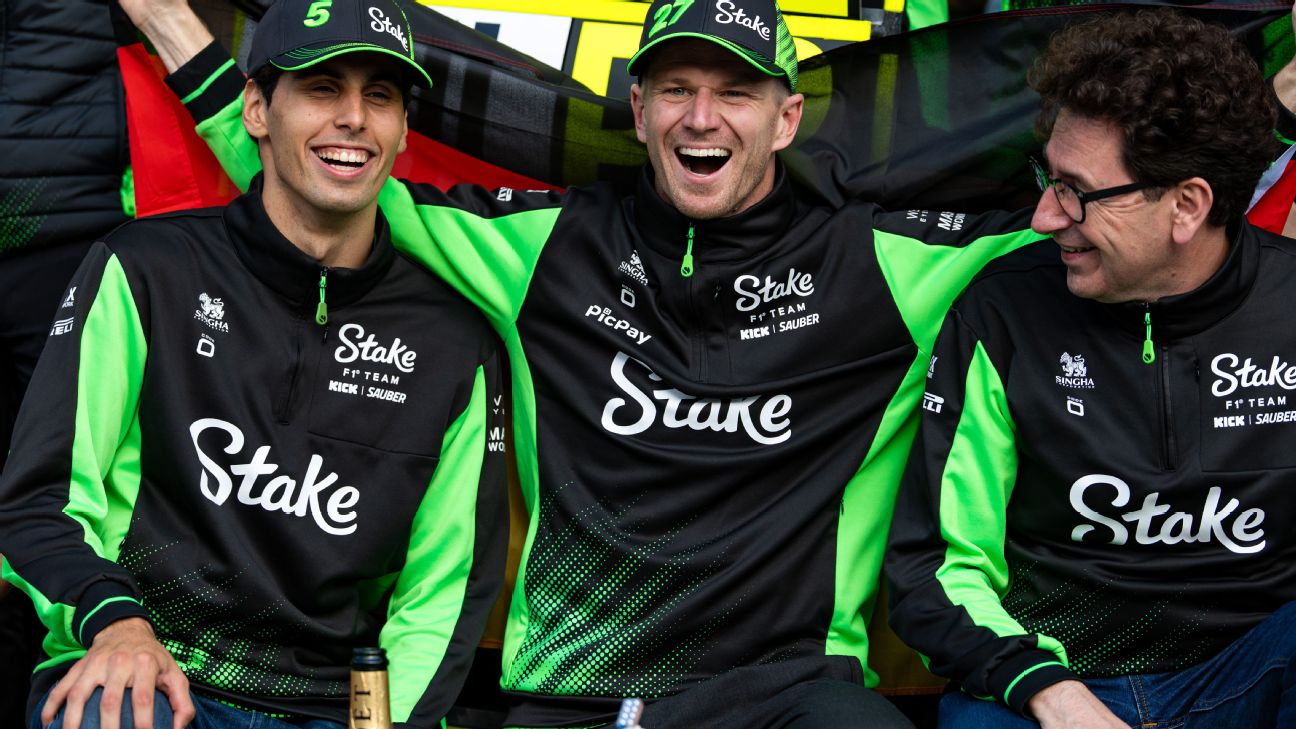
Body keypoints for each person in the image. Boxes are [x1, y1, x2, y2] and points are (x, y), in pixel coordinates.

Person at [119, 0, 1050, 726]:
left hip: (791, 693)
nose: (702, 117)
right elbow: (322, 178)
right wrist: (165, 20)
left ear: (787, 117)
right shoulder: (547, 245)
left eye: (735, 92)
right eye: (676, 89)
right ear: (639, 110)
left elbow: (1090, 220)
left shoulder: (888, 263)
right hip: (577, 692)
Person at [0, 1, 509, 727]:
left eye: (380, 96)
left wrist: (386, 723)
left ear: (402, 132)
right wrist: (116, 624)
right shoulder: (146, 267)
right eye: (323, 88)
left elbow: (445, 591)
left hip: (332, 706)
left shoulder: (456, 340)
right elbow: (40, 497)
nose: (354, 118)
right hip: (143, 668)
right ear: (257, 111)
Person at [885, 9, 1296, 728]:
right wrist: (1048, 690)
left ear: (1187, 205)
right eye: (1048, 178)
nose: (1044, 216)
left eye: (1076, 190)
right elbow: (933, 568)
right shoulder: (1002, 311)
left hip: (1250, 671)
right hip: (1046, 683)